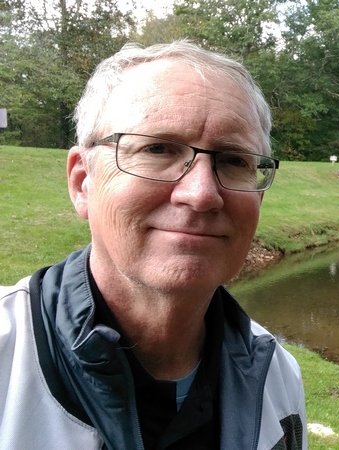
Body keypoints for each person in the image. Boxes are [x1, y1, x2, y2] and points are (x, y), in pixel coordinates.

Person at [0, 41, 307, 449]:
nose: (201, 194)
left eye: (234, 160)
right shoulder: (8, 355)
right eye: (157, 148)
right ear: (82, 182)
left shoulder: (278, 377)